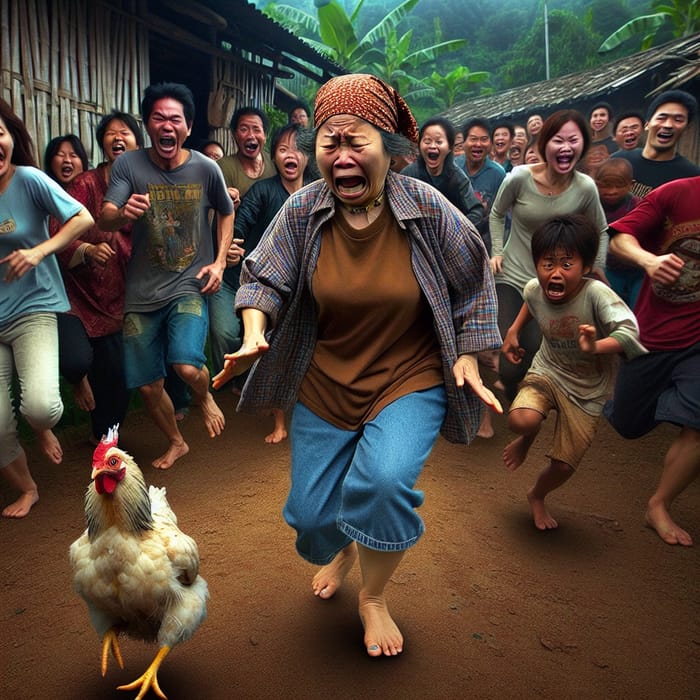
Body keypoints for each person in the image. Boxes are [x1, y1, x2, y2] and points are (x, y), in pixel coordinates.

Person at [213, 73, 502, 657]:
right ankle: (346, 546)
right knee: (311, 518)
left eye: (356, 142)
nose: (341, 156)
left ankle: (373, 596)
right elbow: (264, 276)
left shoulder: (424, 207)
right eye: (330, 143)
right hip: (324, 382)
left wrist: (469, 352)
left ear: (389, 150)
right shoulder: (302, 210)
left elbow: (473, 279)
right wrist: (253, 332)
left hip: (409, 377)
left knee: (383, 484)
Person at [98, 82, 234, 469]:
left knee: (187, 366)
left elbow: (225, 211)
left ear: (188, 127)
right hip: (141, 292)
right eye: (158, 118)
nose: (167, 125)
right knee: (148, 384)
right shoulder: (129, 166)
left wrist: (220, 261)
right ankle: (176, 441)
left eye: (175, 118)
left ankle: (203, 396)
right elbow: (104, 215)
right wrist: (123, 212)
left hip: (188, 284)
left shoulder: (206, 168)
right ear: (148, 125)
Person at [502, 215, 646, 530]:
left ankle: (537, 495)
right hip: (548, 371)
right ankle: (529, 436)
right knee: (519, 420)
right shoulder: (535, 288)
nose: (555, 273)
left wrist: (596, 347)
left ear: (585, 267)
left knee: (564, 465)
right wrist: (513, 332)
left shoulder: (596, 294)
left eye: (566, 265)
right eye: (547, 264)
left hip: (588, 389)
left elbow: (631, 332)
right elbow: (531, 299)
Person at [0, 98, 93, 517]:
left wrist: (39, 251)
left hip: (32, 307)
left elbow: (82, 219)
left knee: (40, 407)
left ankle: (40, 426)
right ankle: (27, 487)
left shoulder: (30, 179)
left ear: (9, 137)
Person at [604, 176, 700, 546]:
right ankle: (669, 401)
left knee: (697, 422)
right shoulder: (677, 193)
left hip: (696, 339)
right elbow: (620, 237)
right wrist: (649, 259)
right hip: (654, 335)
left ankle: (659, 503)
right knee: (628, 423)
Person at [490, 109, 608, 402]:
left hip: (551, 286)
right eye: (558, 140)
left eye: (573, 140)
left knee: (531, 347)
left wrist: (594, 268)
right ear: (544, 144)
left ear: (582, 145)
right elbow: (496, 213)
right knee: (510, 343)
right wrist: (495, 251)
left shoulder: (585, 188)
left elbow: (602, 230)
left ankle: (514, 386)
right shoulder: (519, 177)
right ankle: (507, 381)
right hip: (512, 276)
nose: (566, 147)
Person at [211, 123, 313, 443]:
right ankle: (279, 420)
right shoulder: (264, 190)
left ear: (308, 157)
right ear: (274, 158)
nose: (290, 155)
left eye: (297, 149)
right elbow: (241, 223)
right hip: (273, 283)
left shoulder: (318, 191)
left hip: (311, 283)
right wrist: (233, 246)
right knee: (272, 343)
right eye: (282, 150)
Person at [53, 110, 144, 445]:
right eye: (110, 132)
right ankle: (100, 433)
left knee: (120, 374)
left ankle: (108, 436)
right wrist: (88, 250)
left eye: (125, 132)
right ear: (103, 143)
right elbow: (58, 229)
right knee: (83, 360)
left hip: (126, 294)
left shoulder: (147, 183)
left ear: (137, 142)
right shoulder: (84, 184)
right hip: (81, 292)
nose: (118, 137)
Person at [611, 89, 700, 197]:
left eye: (678, 120)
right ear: (647, 124)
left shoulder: (692, 177)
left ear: (686, 128)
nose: (668, 125)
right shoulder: (617, 160)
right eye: (662, 118)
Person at [401, 116, 483, 229]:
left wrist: (456, 231)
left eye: (439, 141)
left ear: (449, 147)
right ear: (419, 145)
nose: (433, 146)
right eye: (427, 141)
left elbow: (476, 211)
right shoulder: (408, 176)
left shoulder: (457, 178)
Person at [594, 158, 643, 307]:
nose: (612, 191)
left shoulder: (639, 206)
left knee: (638, 308)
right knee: (610, 308)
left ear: (631, 184)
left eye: (619, 185)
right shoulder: (592, 204)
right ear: (596, 184)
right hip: (607, 268)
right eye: (606, 185)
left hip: (636, 268)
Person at [457, 117, 506, 255]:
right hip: (455, 236)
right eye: (473, 139)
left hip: (485, 239)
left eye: (484, 139)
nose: (478, 144)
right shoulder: (452, 168)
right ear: (464, 143)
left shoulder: (498, 174)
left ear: (490, 144)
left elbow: (500, 214)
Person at [217, 106, 276, 209]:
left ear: (265, 136)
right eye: (244, 129)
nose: (251, 135)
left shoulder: (274, 162)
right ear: (234, 135)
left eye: (256, 130)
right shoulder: (224, 167)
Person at [581, 102, 617, 175]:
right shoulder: (583, 145)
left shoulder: (617, 143)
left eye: (602, 115)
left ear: (610, 119)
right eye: (595, 116)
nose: (598, 119)